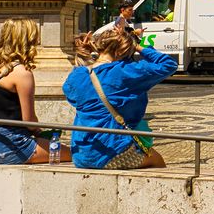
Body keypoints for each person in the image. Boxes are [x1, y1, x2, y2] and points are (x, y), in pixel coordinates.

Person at [62, 26, 177, 170]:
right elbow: (168, 64)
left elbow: (70, 91)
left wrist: (86, 55)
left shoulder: (78, 75)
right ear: (120, 51)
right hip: (112, 152)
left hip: (81, 153)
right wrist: (139, 47)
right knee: (157, 160)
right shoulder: (123, 72)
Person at [0, 19, 51, 165]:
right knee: (74, 155)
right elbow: (28, 120)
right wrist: (40, 131)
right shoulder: (22, 73)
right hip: (12, 147)